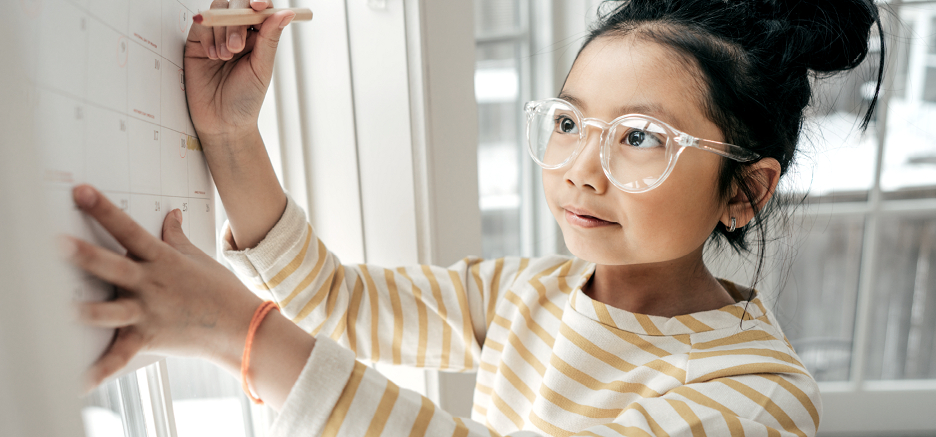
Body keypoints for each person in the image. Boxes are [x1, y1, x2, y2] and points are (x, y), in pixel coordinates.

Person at [63, 0, 883, 435]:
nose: (580, 170)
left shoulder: (758, 400)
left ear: (746, 190)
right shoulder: (528, 295)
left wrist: (238, 333)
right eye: (567, 122)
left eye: (639, 137)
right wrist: (231, 134)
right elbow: (340, 302)